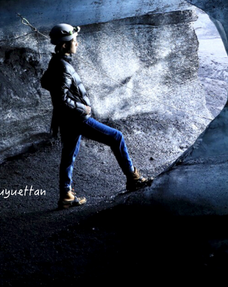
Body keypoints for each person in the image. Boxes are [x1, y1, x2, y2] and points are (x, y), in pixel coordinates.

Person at [41, 23, 152, 209]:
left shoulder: (58, 63)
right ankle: (133, 178)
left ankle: (66, 195)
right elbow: (61, 99)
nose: (77, 43)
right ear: (64, 45)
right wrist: (82, 108)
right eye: (74, 41)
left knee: (69, 156)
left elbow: (45, 82)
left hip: (66, 119)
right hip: (76, 118)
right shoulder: (62, 67)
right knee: (116, 137)